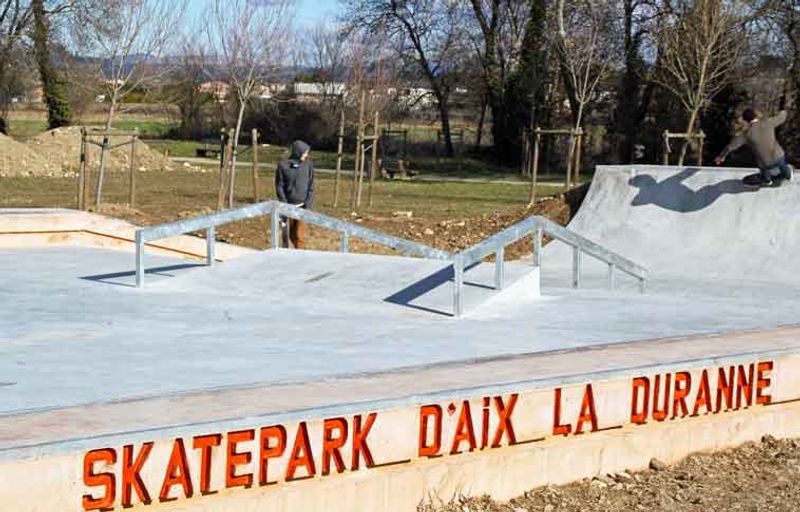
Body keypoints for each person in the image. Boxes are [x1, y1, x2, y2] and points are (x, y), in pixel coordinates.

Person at [714, 108, 793, 186]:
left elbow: (730, 147)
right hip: (778, 157)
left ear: (745, 120)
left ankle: (767, 180)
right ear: (756, 116)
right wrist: (784, 111)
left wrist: (721, 157)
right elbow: (782, 117)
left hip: (765, 164)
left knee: (762, 164)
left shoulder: (746, 134)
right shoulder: (768, 122)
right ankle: (787, 174)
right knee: (781, 162)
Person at [275, 140, 315, 249]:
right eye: (304, 152)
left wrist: (308, 203)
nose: (306, 155)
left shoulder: (308, 165)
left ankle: (300, 258)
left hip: (303, 206)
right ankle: (289, 256)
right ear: (298, 152)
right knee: (288, 235)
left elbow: (311, 185)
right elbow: (279, 185)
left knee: (299, 236)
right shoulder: (283, 165)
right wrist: (284, 203)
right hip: (288, 207)